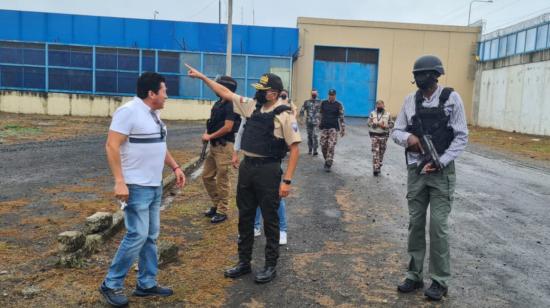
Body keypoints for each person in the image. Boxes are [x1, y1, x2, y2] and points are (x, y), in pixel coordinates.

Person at [186, 64, 301, 284]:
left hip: (269, 170)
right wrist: (203, 77)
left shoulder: (285, 115)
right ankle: (244, 262)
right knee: (245, 216)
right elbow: (226, 93)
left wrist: (286, 180)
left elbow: (295, 149)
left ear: (274, 94)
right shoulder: (252, 107)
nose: (258, 92)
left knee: (270, 219)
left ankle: (270, 265)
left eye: (263, 89)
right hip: (248, 168)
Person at [100, 72, 186, 307]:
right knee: (136, 235)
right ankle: (111, 283)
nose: (166, 95)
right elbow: (111, 145)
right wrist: (119, 181)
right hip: (136, 186)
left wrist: (175, 166)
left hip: (154, 184)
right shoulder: (128, 112)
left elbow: (159, 144)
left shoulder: (154, 115)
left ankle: (146, 283)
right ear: (152, 94)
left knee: (150, 236)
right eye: (164, 91)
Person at [391, 55, 468, 301]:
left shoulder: (451, 99)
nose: (419, 78)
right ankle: (414, 275)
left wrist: (441, 161)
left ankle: (440, 280)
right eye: (417, 74)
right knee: (415, 224)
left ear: (435, 75)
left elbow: (461, 136)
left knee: (438, 227)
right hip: (416, 171)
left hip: (441, 172)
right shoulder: (409, 101)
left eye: (423, 74)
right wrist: (409, 140)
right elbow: (396, 131)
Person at [202, 76, 241, 224]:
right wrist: (207, 136)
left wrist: (209, 135)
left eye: (218, 86)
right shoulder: (219, 103)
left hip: (225, 147)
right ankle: (216, 203)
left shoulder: (231, 104)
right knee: (206, 176)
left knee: (222, 180)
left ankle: (222, 211)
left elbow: (228, 127)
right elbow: (212, 122)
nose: (215, 89)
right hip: (214, 145)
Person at [318, 89, 345, 172]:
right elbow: (320, 114)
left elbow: (341, 117)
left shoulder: (339, 105)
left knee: (331, 145)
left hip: (333, 128)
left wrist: (342, 129)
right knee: (323, 145)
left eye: (333, 95)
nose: (331, 96)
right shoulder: (323, 103)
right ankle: (327, 158)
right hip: (324, 127)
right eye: (330, 95)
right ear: (328, 95)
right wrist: (319, 123)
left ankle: (329, 162)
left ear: (335, 95)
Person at [367, 100, 393, 176]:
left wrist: (386, 126)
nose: (379, 106)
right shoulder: (372, 113)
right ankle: (375, 168)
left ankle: (379, 164)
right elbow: (368, 123)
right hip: (374, 135)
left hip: (384, 136)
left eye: (381, 105)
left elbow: (392, 124)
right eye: (378, 105)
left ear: (383, 106)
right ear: (376, 106)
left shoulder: (388, 114)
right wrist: (374, 124)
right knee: (375, 151)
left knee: (381, 151)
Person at [299, 89, 322, 155]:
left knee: (315, 135)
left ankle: (315, 150)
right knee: (309, 136)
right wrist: (301, 119)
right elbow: (302, 110)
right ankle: (310, 148)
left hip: (316, 122)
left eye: (315, 93)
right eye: (313, 93)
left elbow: (323, 112)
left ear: (317, 94)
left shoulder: (320, 102)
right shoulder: (307, 102)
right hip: (309, 122)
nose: (314, 95)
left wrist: (322, 120)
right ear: (311, 94)